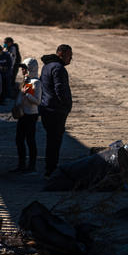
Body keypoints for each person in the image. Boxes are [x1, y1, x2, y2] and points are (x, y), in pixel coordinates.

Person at [39, 44, 73, 177]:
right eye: (70, 55)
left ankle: (50, 167)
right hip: (55, 110)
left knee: (51, 140)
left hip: (47, 108)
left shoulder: (47, 66)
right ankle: (51, 169)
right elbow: (60, 90)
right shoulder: (58, 68)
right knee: (55, 141)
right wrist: (66, 106)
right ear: (62, 54)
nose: (71, 58)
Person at [11, 58, 43, 174]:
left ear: (30, 69)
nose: (22, 70)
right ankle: (21, 164)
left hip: (31, 115)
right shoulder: (25, 81)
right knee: (19, 140)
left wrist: (27, 95)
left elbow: (38, 101)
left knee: (30, 140)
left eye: (24, 68)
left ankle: (31, 165)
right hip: (22, 114)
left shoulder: (36, 83)